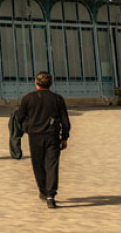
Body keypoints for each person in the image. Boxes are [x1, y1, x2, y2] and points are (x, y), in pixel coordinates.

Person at [16, 72, 71, 209]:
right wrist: (64, 138)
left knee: (38, 164)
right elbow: (65, 121)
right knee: (52, 165)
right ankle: (51, 196)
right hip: (52, 135)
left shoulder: (28, 98)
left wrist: (27, 127)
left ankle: (43, 191)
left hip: (35, 136)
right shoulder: (57, 99)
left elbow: (20, 117)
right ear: (50, 83)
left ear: (36, 82)